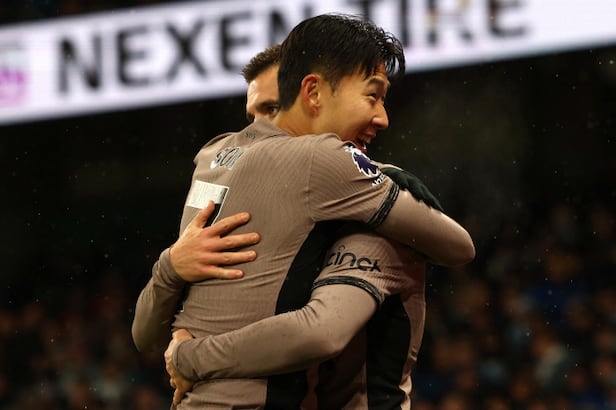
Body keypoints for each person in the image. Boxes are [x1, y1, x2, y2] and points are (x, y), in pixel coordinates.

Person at [132, 13, 474, 409]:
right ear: (312, 93)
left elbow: (145, 338)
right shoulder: (322, 162)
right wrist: (386, 175)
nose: (382, 117)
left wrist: (170, 271)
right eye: (373, 96)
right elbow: (459, 247)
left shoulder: (212, 156)